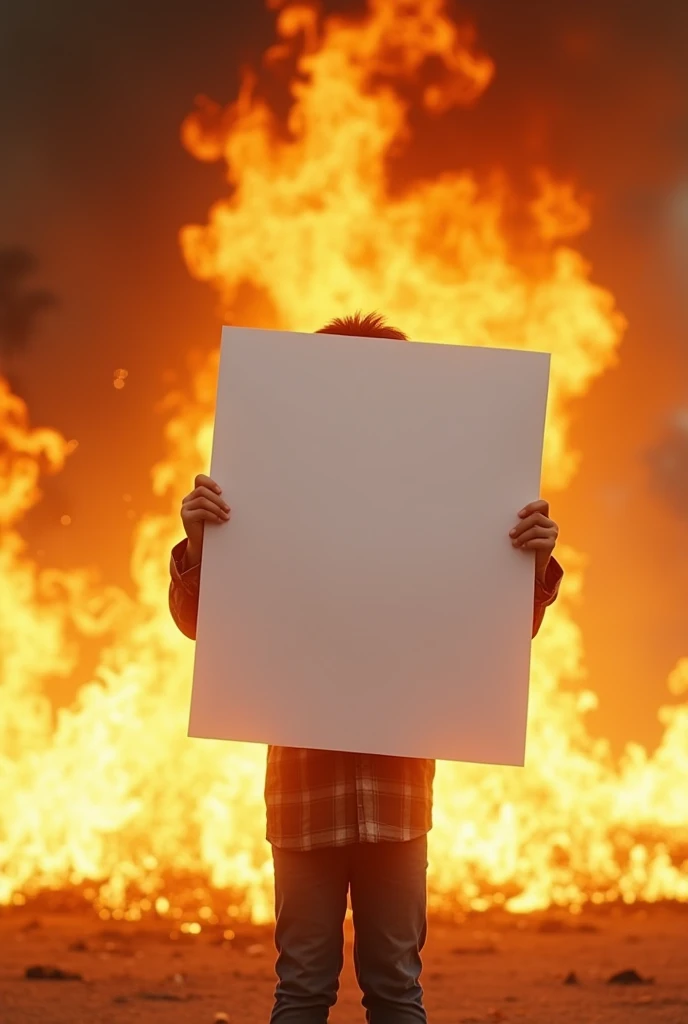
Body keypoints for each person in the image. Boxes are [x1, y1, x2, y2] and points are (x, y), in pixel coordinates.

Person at [169, 311, 563, 1023]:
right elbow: (204, 628)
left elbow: (496, 640)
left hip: (397, 797)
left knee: (394, 988)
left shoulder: (443, 507)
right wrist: (202, 546)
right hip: (303, 799)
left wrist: (528, 559)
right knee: (304, 988)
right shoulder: (267, 499)